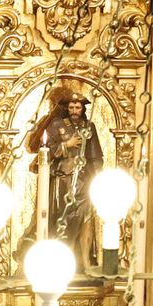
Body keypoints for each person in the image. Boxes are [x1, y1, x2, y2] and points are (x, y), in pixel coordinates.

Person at [23, 88, 104, 264]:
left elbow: (95, 155)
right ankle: (60, 257)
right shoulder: (56, 125)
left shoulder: (88, 127)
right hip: (62, 179)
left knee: (83, 218)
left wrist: (99, 178)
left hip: (83, 179)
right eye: (72, 107)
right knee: (62, 216)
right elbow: (44, 150)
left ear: (83, 109)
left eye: (78, 108)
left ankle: (83, 261)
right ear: (67, 108)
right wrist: (66, 145)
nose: (75, 111)